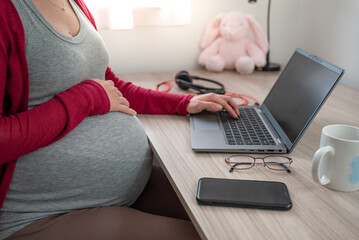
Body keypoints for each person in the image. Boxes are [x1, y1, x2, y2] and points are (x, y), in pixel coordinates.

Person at [0, 0, 239, 239]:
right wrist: (84, 99)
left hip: (126, 189)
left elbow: (108, 85)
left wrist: (183, 103)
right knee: (203, 235)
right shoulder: (6, 12)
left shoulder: (73, 3)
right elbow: (94, 93)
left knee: (229, 222)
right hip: (39, 214)